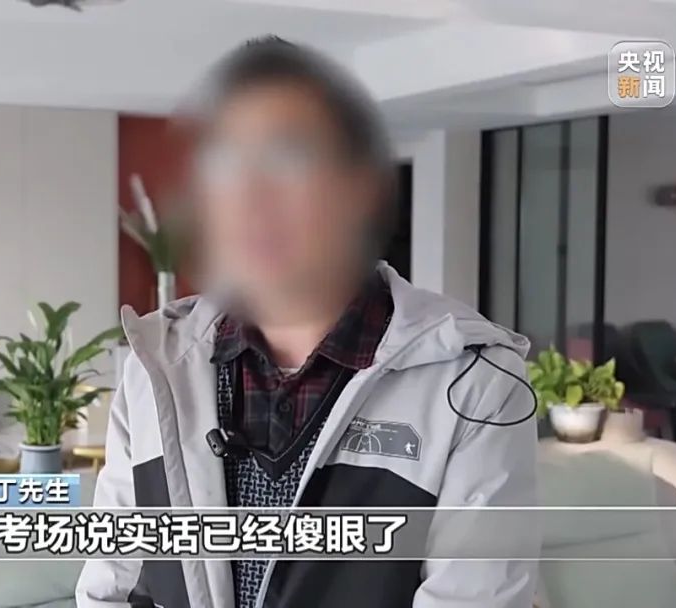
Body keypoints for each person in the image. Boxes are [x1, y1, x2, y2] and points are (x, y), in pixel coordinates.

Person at [77, 36, 539, 608]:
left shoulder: (474, 385)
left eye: (287, 156)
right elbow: (112, 583)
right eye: (225, 163)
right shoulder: (157, 370)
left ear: (361, 189)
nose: (249, 195)